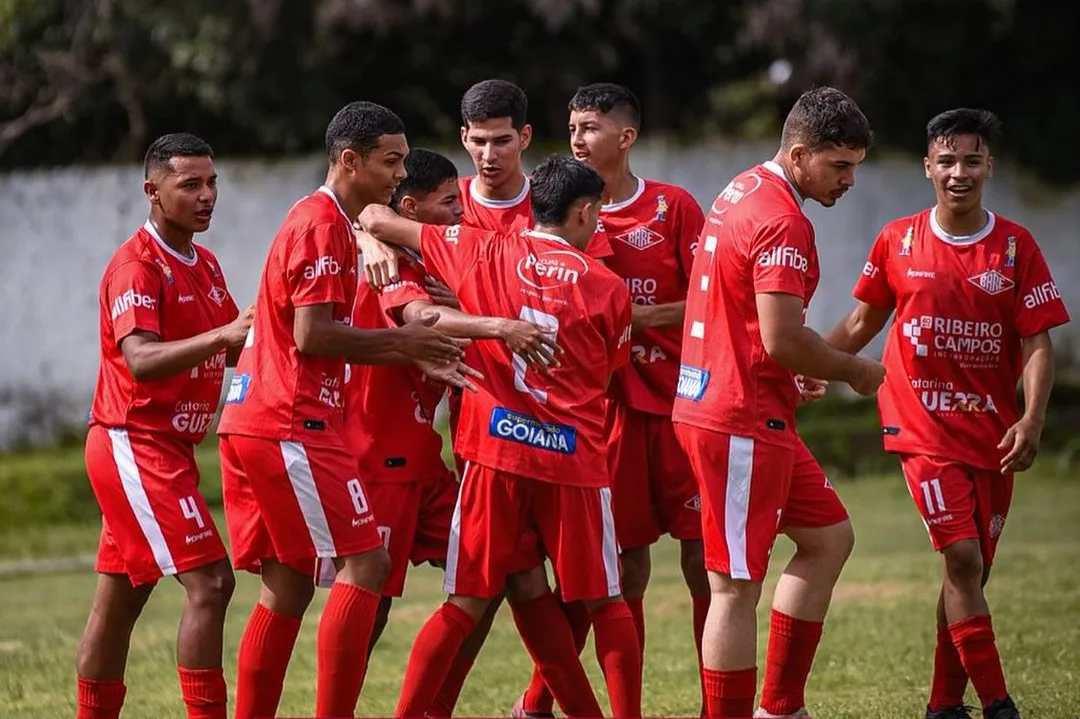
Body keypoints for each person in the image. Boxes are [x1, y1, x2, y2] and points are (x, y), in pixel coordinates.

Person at [215, 101, 478, 719]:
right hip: (288, 422)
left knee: (287, 584)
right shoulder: (322, 225)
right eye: (391, 162)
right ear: (349, 160)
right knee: (367, 563)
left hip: (256, 419)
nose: (398, 175)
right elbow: (313, 336)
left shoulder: (331, 221)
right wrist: (404, 343)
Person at [357, 155, 643, 719]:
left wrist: (373, 239)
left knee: (463, 601)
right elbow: (611, 369)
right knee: (606, 600)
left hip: (495, 455)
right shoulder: (609, 288)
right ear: (584, 213)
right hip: (574, 463)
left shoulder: (483, 248)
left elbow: (376, 215)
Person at [824, 108, 1069, 719]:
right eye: (947, 160)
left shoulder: (1015, 247)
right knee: (961, 557)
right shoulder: (898, 241)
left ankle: (942, 704)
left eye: (972, 159)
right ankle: (998, 704)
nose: (959, 172)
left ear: (988, 166)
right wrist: (810, 366)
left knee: (972, 573)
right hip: (920, 425)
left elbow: (1039, 341)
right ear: (927, 167)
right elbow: (860, 323)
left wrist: (1032, 418)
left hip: (991, 434)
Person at [672, 86, 883, 718]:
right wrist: (852, 368)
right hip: (736, 418)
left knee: (828, 537)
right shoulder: (783, 219)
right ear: (798, 154)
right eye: (838, 166)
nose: (848, 181)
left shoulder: (741, 188)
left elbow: (751, 324)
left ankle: (781, 708)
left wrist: (788, 371)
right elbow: (782, 336)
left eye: (855, 167)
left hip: (742, 403)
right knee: (734, 586)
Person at [340, 147, 559, 717]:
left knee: (494, 572)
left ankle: (443, 708)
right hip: (377, 457)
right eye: (448, 205)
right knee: (375, 599)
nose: (460, 214)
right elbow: (418, 319)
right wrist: (501, 327)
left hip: (422, 460)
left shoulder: (427, 259)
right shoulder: (389, 262)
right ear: (410, 207)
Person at [515, 81, 710, 719]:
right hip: (610, 416)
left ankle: (721, 704)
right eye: (571, 125)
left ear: (625, 137)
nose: (576, 137)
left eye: (590, 126)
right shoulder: (567, 216)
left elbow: (712, 298)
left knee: (705, 561)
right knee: (616, 574)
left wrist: (638, 313)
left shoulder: (674, 207)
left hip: (684, 408)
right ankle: (538, 703)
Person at [77, 133, 253, 719]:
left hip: (165, 448)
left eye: (212, 184)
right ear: (152, 191)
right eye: (190, 185)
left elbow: (237, 345)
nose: (207, 197)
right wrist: (224, 337)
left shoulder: (204, 263)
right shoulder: (136, 266)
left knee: (122, 599)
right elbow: (142, 359)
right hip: (133, 442)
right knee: (212, 583)